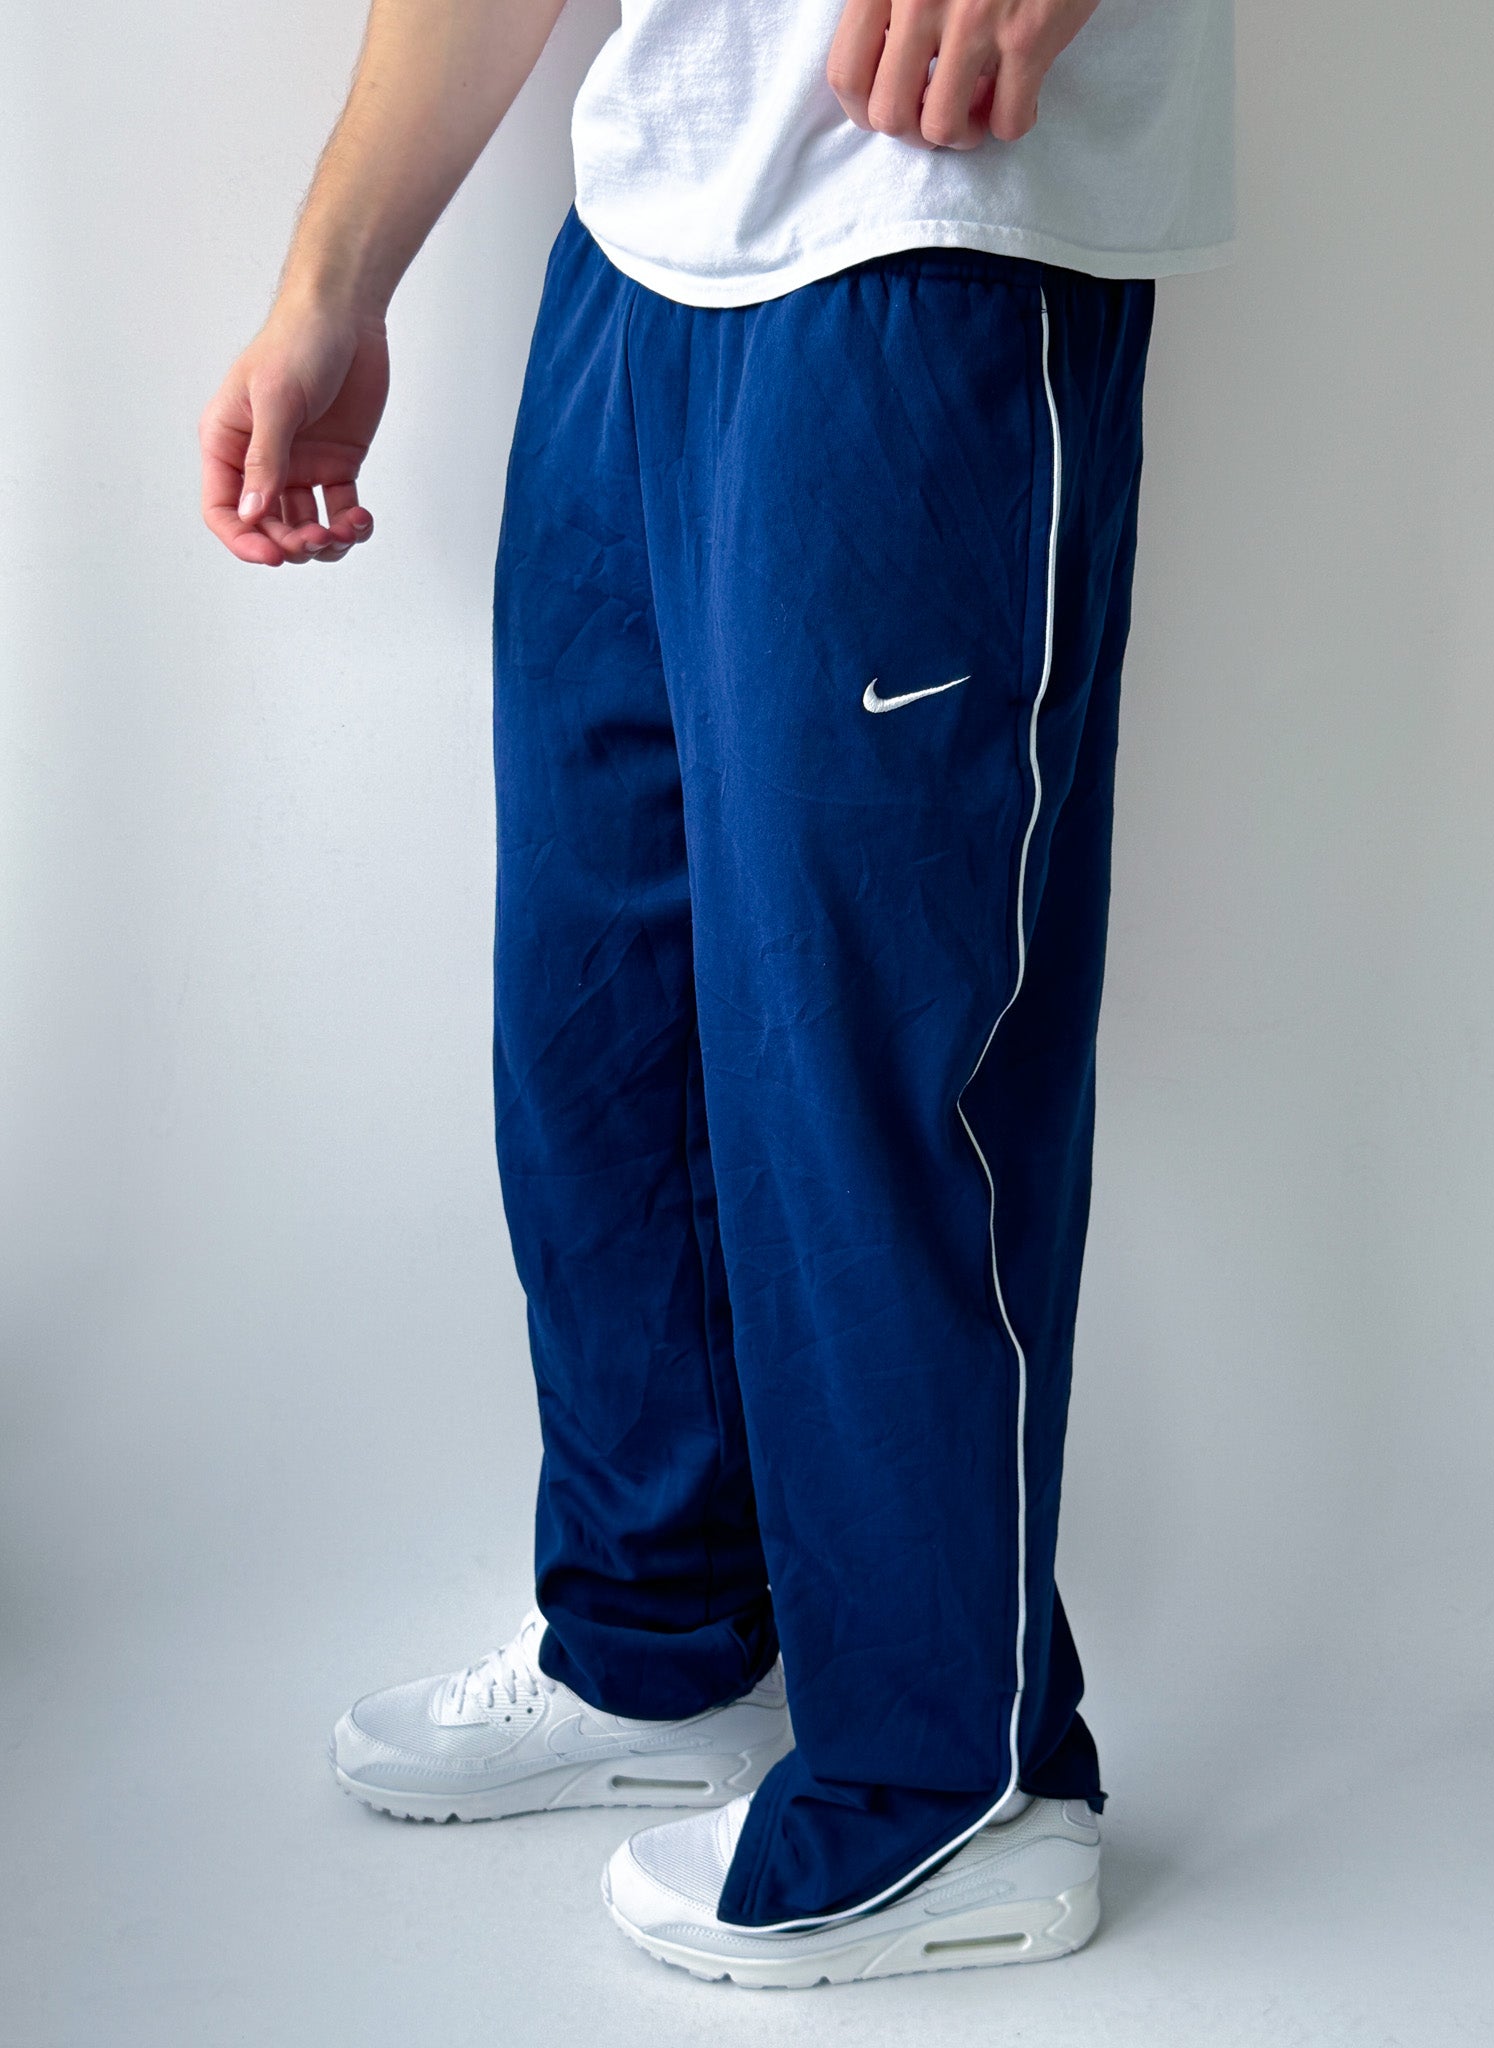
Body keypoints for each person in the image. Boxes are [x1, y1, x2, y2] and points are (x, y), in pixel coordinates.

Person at [200, 0, 1234, 1989]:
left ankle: (962, 1783)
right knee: (600, 1011)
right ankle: (667, 1636)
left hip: (932, 220)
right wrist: (335, 277)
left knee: (877, 1056)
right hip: (646, 224)